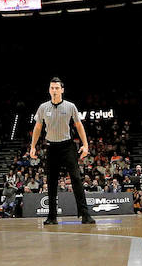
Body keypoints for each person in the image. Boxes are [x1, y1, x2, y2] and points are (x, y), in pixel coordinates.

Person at [29, 77, 95, 225]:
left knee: (76, 179)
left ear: (62, 90)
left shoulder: (70, 106)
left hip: (68, 146)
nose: (54, 91)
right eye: (52, 88)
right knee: (51, 182)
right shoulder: (43, 107)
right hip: (51, 147)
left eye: (57, 88)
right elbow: (38, 127)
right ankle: (52, 217)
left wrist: (85, 145)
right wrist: (33, 146)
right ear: (49, 90)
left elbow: (78, 125)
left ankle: (85, 215)